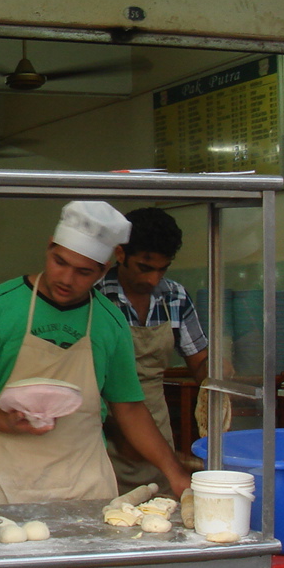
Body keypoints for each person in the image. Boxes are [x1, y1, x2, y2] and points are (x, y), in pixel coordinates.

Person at [0, 200, 191, 505]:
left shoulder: (110, 322)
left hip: (84, 483)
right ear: (49, 247)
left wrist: (174, 472)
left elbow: (129, 408)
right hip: (4, 479)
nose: (66, 279)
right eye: (59, 262)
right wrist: (4, 420)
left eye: (83, 272)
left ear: (103, 270)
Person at [98, 207, 211, 492]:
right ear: (120, 254)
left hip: (157, 433)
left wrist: (218, 373)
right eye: (144, 268)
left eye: (162, 269)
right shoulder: (95, 297)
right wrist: (120, 435)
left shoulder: (175, 297)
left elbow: (200, 365)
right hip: (105, 436)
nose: (153, 279)